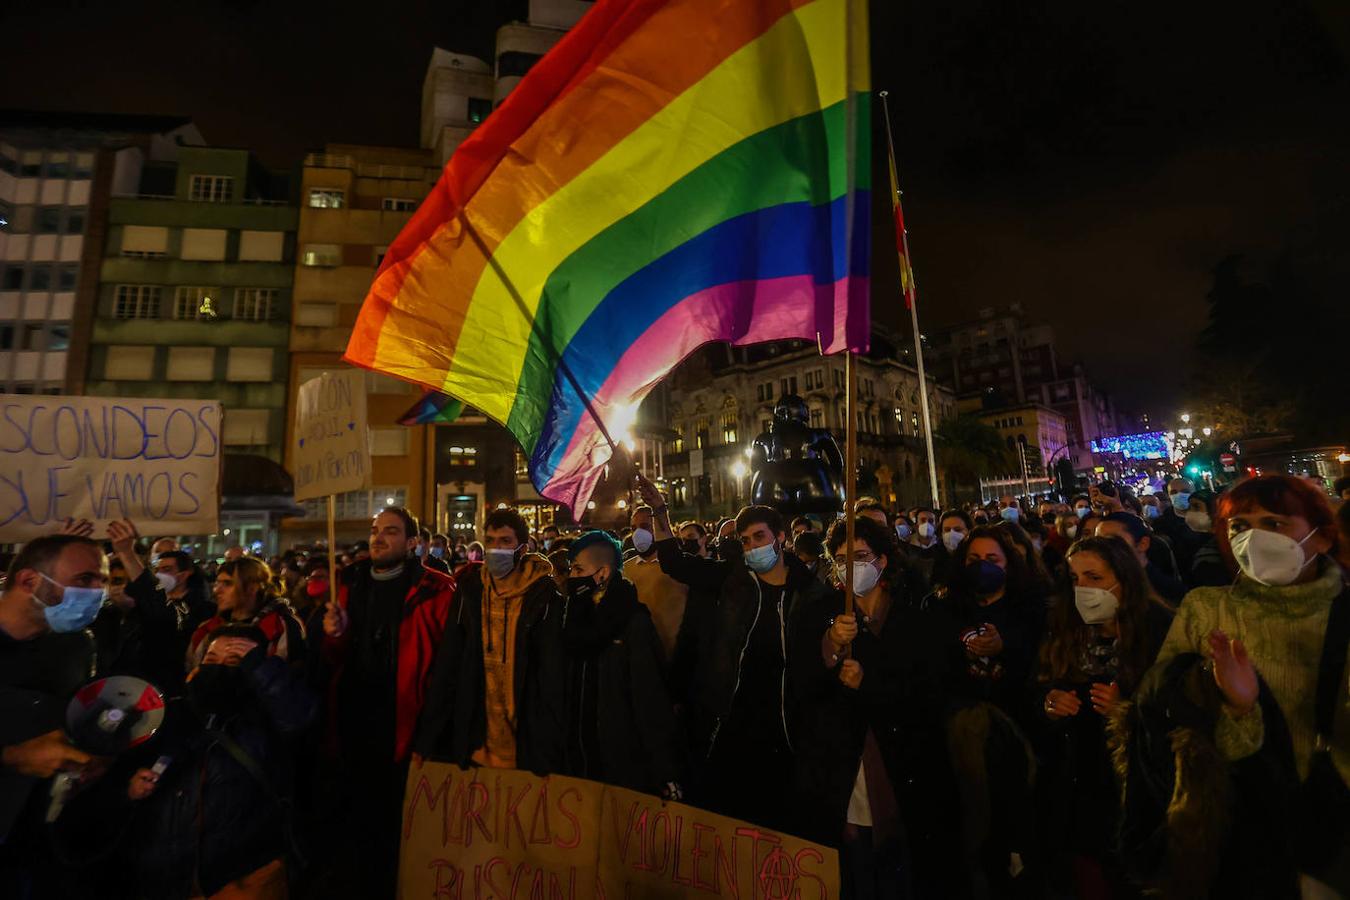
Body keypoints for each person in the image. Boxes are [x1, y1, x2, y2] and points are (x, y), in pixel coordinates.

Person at [1116, 475, 1350, 897]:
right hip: (1231, 828)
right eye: (1240, 527)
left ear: (1324, 538)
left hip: (1328, 831)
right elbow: (1159, 708)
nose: (1253, 538)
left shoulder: (1344, 615)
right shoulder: (1205, 608)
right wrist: (1221, 695)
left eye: (1274, 523)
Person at [643, 487, 833, 833]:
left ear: (780, 538)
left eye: (759, 537)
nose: (752, 547)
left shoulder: (812, 594)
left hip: (786, 733)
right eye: (745, 541)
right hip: (730, 726)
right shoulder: (732, 581)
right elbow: (673, 563)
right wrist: (659, 509)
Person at [793, 516, 960, 897]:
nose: (849, 566)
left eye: (860, 556)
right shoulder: (820, 613)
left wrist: (869, 684)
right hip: (850, 775)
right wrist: (831, 646)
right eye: (839, 558)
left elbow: (928, 691)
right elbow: (805, 688)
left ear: (882, 561)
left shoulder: (913, 613)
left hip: (903, 768)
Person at [118, 623, 317, 899]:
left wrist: (260, 665)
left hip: (244, 878)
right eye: (211, 660)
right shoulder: (176, 714)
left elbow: (297, 715)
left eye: (235, 661)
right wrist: (133, 787)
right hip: (172, 876)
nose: (219, 667)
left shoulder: (267, 717)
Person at [319, 507, 455, 899]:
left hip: (406, 732)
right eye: (375, 530)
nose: (377, 537)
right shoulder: (350, 583)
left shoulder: (437, 590)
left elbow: (448, 670)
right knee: (359, 832)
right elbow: (334, 658)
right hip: (355, 727)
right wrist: (334, 635)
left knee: (402, 835)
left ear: (412, 542)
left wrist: (432, 734)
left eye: (390, 532)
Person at [1036, 536, 1174, 899]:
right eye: (1075, 578)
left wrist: (1126, 710)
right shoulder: (1066, 625)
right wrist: (1050, 701)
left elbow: (1178, 717)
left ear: (1124, 579)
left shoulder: (1161, 629)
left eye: (1094, 578)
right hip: (1081, 786)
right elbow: (1042, 681)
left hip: (1140, 791)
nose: (1082, 588)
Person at [414, 507, 561, 773]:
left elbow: (552, 677)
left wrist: (548, 752)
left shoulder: (544, 597)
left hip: (526, 750)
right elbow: (449, 666)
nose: (496, 549)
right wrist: (427, 741)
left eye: (505, 542)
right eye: (491, 541)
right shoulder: (470, 592)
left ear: (523, 548)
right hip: (477, 746)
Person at [0, 534, 106, 895]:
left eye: (102, 581)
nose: (97, 592)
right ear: (29, 581)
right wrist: (13, 757)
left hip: (42, 840)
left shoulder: (77, 646)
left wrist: (93, 760)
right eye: (85, 580)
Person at [559, 532, 682, 796]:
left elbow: (649, 697)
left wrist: (664, 769)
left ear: (602, 574)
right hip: (579, 759)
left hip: (622, 764)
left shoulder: (633, 623)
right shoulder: (573, 619)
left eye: (578, 569)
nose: (571, 576)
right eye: (571, 569)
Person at [944, 525, 1048, 721]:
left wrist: (1003, 646)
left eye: (992, 560)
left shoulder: (1031, 608)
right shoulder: (948, 608)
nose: (982, 566)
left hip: (1017, 717)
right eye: (974, 559)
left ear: (1008, 564)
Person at [107, 523, 217, 691]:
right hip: (134, 681)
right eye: (156, 569)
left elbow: (163, 612)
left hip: (170, 685)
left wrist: (127, 554)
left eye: (166, 569)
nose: (159, 574)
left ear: (185, 573)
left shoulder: (201, 608)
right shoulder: (141, 601)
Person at [190, 557, 303, 667]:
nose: (217, 590)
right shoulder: (209, 627)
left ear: (252, 588)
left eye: (227, 584)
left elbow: (287, 675)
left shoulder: (280, 627)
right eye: (217, 583)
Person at [622, 505, 689, 676]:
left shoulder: (680, 566)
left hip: (679, 659)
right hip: (644, 660)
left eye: (644, 526)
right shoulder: (626, 570)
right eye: (633, 528)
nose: (637, 533)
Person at [1096, 512, 1187, 606]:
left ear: (1143, 544)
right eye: (1098, 541)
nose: (1101, 547)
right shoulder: (1100, 585)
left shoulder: (1170, 592)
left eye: (1112, 540)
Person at [1183, 490, 1232, 587]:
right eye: (1189, 507)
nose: (1191, 511)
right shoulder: (1185, 539)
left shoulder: (1226, 540)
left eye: (1196, 507)